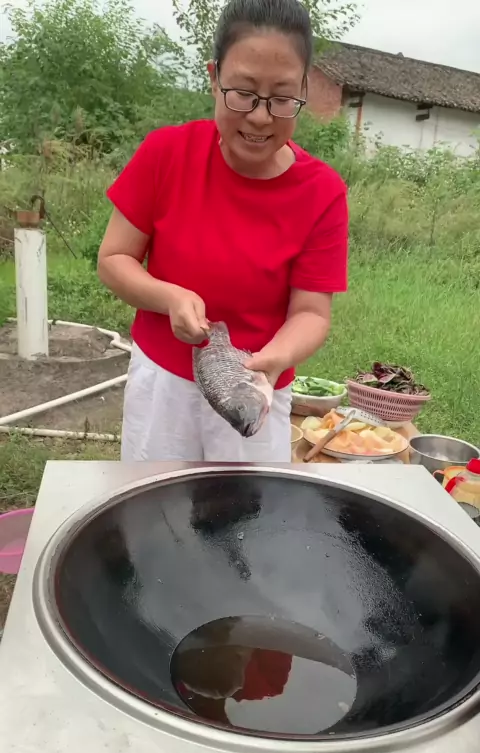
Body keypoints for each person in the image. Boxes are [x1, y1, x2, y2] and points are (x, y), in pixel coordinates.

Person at [98, 0, 348, 463]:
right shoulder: (167, 153)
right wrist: (169, 297)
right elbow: (114, 259)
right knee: (156, 502)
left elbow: (312, 312)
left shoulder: (322, 192)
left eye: (281, 98)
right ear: (214, 77)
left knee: (246, 508)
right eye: (243, 93)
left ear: (304, 89)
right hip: (164, 390)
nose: (260, 117)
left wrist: (272, 362)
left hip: (257, 388)